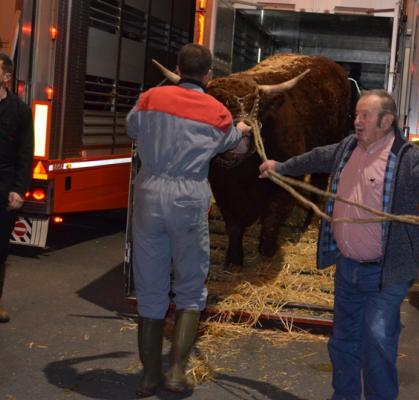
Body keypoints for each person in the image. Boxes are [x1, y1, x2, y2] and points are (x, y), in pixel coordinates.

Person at [259, 90, 419, 400]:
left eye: (364, 116)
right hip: (347, 267)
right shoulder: (347, 147)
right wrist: (280, 167)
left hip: (385, 274)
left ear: (387, 121)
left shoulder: (407, 158)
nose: (357, 121)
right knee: (342, 342)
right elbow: (315, 157)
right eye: (356, 115)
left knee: (378, 341)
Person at [126, 43, 250, 397]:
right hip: (188, 195)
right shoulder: (218, 112)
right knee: (190, 288)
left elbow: (133, 129)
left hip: (150, 191)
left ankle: (149, 375)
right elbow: (233, 147)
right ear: (209, 75)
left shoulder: (149, 99)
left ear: (178, 68)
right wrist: (242, 129)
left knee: (149, 288)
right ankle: (177, 371)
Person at [0, 53, 34, 324]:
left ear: (6, 77)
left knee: (0, 250)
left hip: (4, 190)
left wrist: (19, 189)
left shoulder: (20, 111)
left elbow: (26, 154)